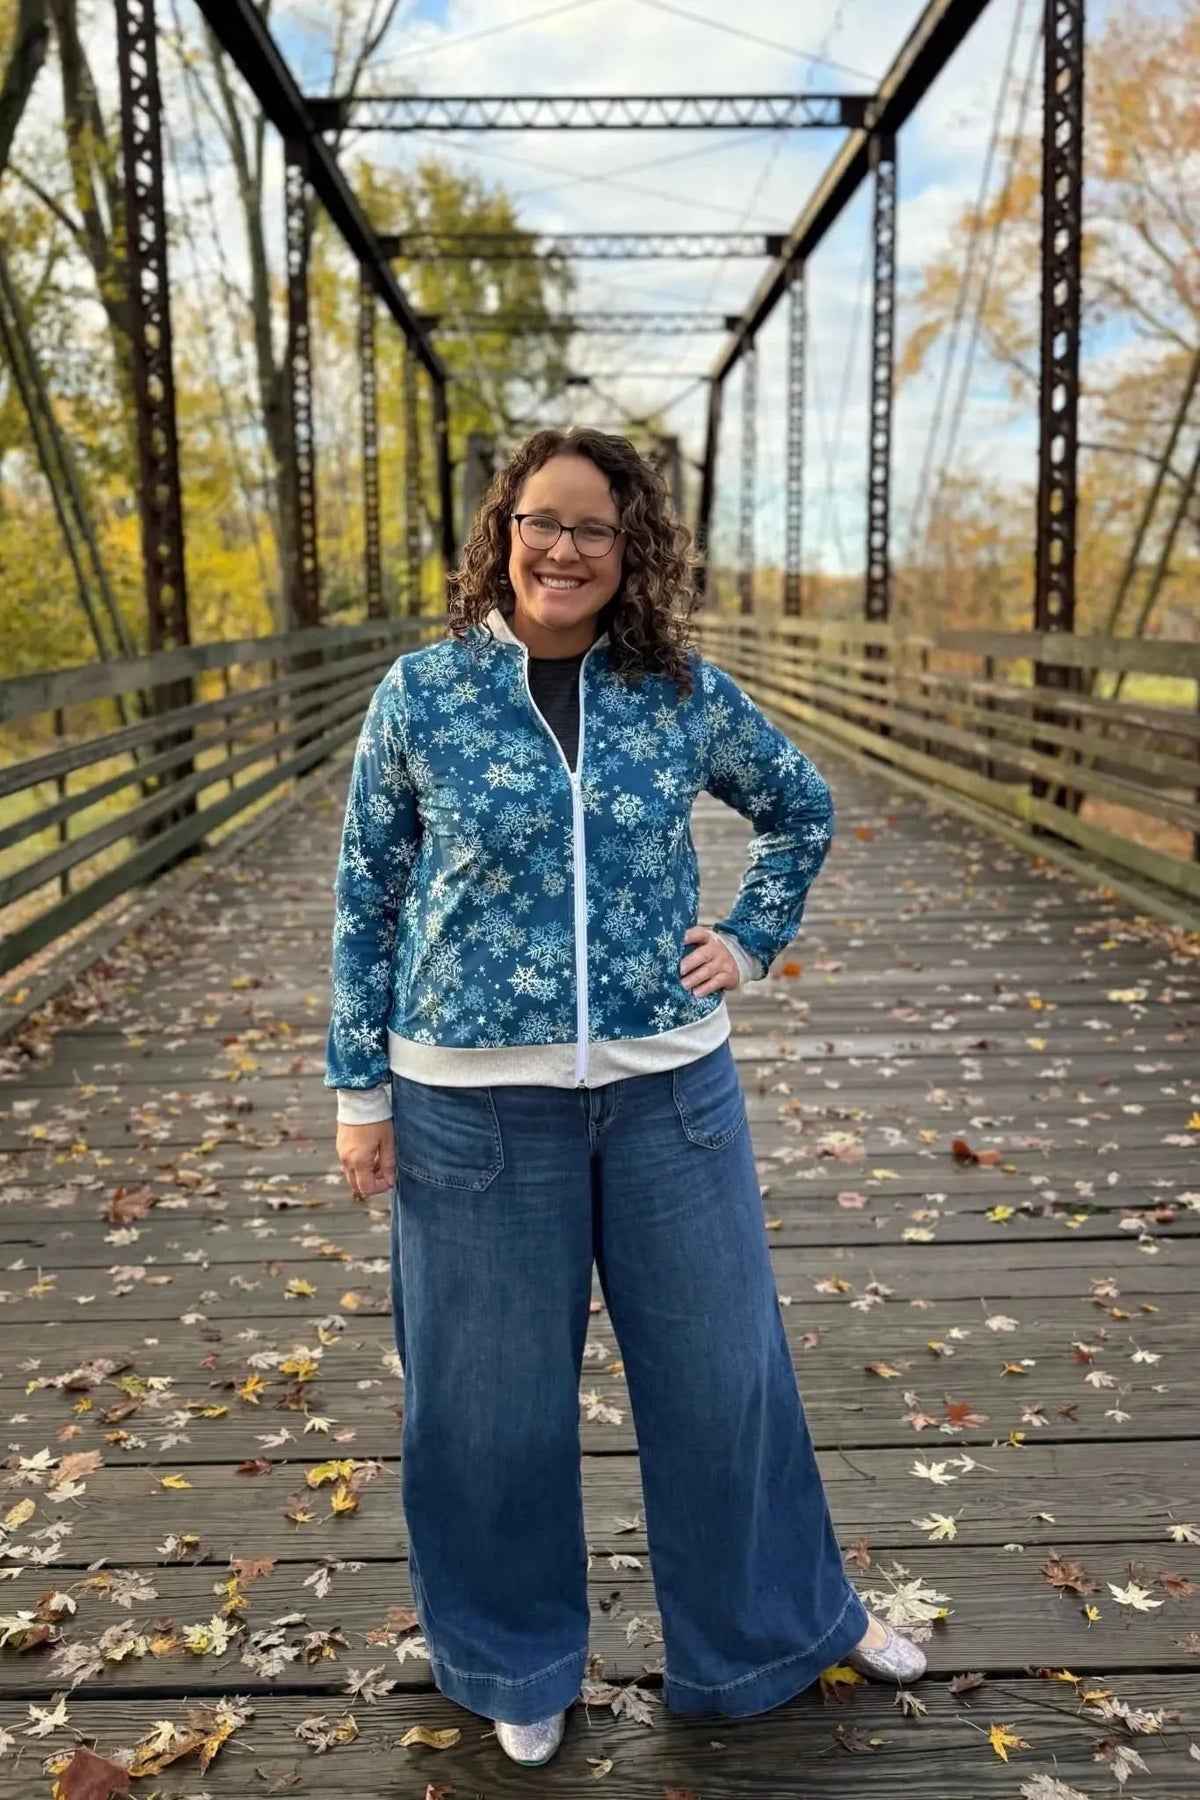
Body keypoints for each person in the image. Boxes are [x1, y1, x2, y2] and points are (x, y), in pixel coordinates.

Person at [326, 427, 925, 1769]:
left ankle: (773, 1633)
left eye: (597, 530)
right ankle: (512, 1660)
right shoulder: (423, 694)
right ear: (505, 529)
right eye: (545, 521)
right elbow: (365, 893)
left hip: (670, 1094)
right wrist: (357, 1090)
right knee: (484, 1408)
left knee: (726, 1382)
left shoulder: (677, 690)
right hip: (469, 1107)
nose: (566, 550)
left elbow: (802, 808)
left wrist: (753, 937)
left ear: (630, 550)